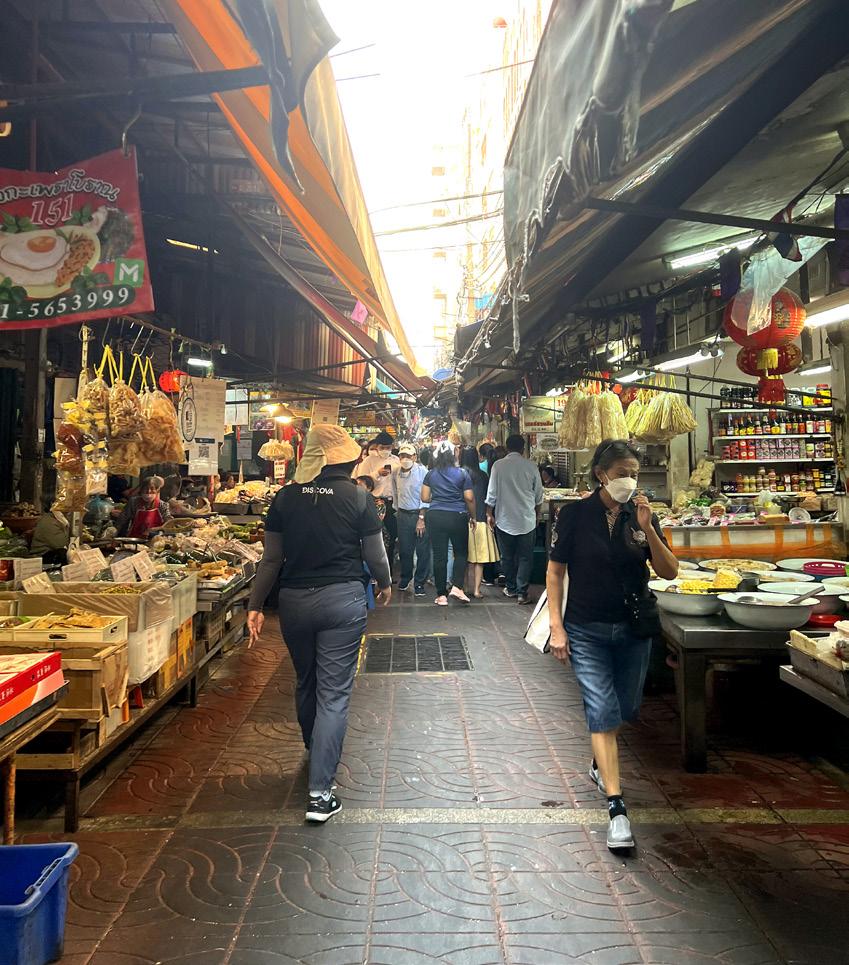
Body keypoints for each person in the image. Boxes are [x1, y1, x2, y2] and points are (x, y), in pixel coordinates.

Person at [247, 425, 391, 824]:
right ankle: (320, 794)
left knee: (306, 681)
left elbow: (271, 559)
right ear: (348, 460)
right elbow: (375, 554)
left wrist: (255, 604)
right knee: (334, 695)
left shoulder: (285, 497)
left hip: (294, 602)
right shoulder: (359, 497)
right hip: (342, 601)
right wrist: (385, 583)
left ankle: (316, 747)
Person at [546, 439, 678, 852]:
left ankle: (599, 762)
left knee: (625, 709)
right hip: (585, 627)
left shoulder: (640, 516)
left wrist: (649, 528)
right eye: (622, 473)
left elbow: (669, 572)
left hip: (635, 628)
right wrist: (556, 627)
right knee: (602, 712)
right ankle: (617, 810)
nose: (629, 480)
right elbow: (555, 572)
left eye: (634, 473)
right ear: (601, 474)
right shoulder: (574, 515)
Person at [485, 435, 543, 606]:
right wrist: (537, 514)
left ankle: (510, 588)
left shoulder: (498, 466)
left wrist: (489, 514)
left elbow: (492, 493)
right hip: (526, 520)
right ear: (523, 448)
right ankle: (522, 593)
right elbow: (538, 495)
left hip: (504, 520)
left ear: (507, 447)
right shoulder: (531, 466)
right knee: (525, 557)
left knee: (507, 557)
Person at [420, 440, 475, 606]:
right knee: (461, 553)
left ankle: (441, 595)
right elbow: (469, 497)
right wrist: (473, 516)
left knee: (439, 556)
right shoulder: (462, 473)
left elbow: (424, 497)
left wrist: (438, 498)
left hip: (435, 516)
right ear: (454, 455)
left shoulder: (431, 474)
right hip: (457, 516)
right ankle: (457, 587)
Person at [458, 448, 499, 598]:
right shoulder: (483, 475)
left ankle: (463, 588)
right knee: (479, 558)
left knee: (463, 556)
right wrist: (489, 514)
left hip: (463, 519)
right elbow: (489, 497)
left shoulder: (459, 474)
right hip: (480, 518)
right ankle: (476, 590)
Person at [391, 443, 431, 597]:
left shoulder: (423, 472)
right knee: (405, 550)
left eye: (408, 456)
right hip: (403, 515)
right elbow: (395, 492)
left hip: (419, 515)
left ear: (415, 457)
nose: (405, 459)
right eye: (402, 456)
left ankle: (419, 582)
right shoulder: (395, 472)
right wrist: (397, 510)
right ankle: (405, 577)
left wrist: (421, 518)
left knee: (422, 550)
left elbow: (426, 496)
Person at [355, 431, 400, 561]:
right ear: (377, 446)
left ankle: (389, 566)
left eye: (388, 447)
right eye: (382, 447)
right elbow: (361, 481)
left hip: (391, 504)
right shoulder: (369, 461)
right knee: (374, 535)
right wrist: (377, 474)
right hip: (374, 502)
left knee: (391, 535)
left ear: (392, 447)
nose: (385, 450)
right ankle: (373, 565)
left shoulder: (396, 460)